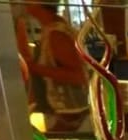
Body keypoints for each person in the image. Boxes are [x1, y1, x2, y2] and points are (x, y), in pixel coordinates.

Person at [15, 2, 89, 130]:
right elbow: (28, 61)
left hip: (70, 116)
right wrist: (20, 24)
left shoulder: (57, 34)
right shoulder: (51, 27)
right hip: (62, 113)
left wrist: (35, 68)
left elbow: (78, 76)